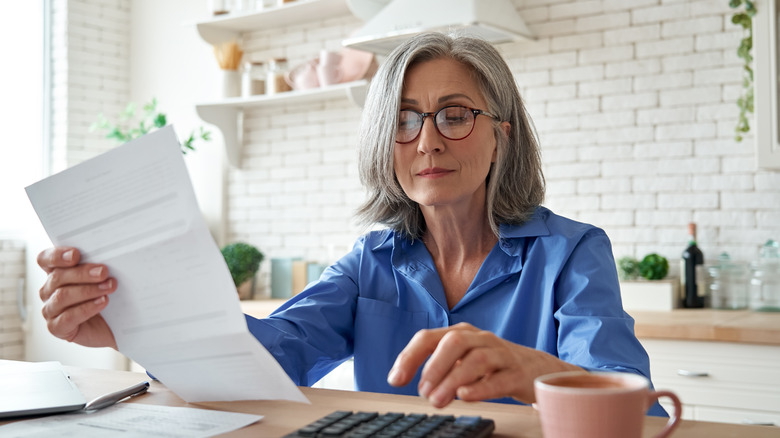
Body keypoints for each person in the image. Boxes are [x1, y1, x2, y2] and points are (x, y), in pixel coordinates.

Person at [36, 31, 666, 416]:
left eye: (453, 115)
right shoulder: (371, 261)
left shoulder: (572, 253)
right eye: (403, 119)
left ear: (500, 136)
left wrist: (533, 373)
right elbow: (268, 357)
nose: (426, 142)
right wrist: (131, 324)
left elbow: (632, 402)